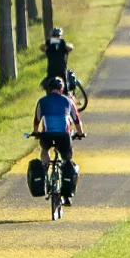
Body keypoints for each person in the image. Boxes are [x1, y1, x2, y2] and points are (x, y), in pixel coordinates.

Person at [33, 77, 85, 205]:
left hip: (47, 135)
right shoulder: (68, 101)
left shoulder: (42, 101)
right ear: (62, 89)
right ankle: (66, 192)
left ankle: (44, 170)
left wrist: (35, 132)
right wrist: (80, 134)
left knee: (45, 150)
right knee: (67, 158)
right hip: (63, 136)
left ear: (48, 89)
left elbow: (36, 120)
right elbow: (77, 121)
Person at [39, 26, 74, 92]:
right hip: (51, 71)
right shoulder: (49, 45)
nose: (56, 37)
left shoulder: (62, 44)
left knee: (65, 89)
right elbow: (42, 48)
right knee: (49, 88)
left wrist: (62, 43)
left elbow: (70, 47)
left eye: (58, 36)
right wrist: (49, 43)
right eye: (54, 36)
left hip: (62, 70)